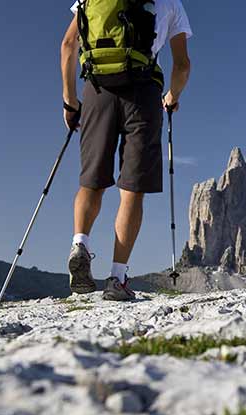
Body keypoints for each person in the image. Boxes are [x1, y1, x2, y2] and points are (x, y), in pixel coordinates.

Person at [60, 0, 192, 301]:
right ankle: (117, 279)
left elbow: (68, 45)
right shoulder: (171, 3)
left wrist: (70, 101)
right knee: (131, 190)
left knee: (91, 182)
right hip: (143, 93)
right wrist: (172, 96)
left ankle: (80, 243)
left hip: (97, 89)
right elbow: (182, 65)